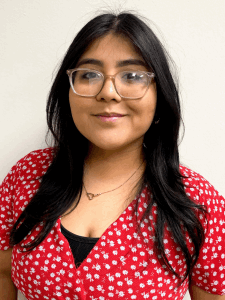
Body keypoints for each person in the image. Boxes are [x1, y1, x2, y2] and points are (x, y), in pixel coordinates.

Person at [0, 12, 225, 300]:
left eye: (132, 76)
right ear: (67, 91)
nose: (108, 92)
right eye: (89, 75)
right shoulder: (28, 174)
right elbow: (3, 273)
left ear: (160, 95)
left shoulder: (196, 202)